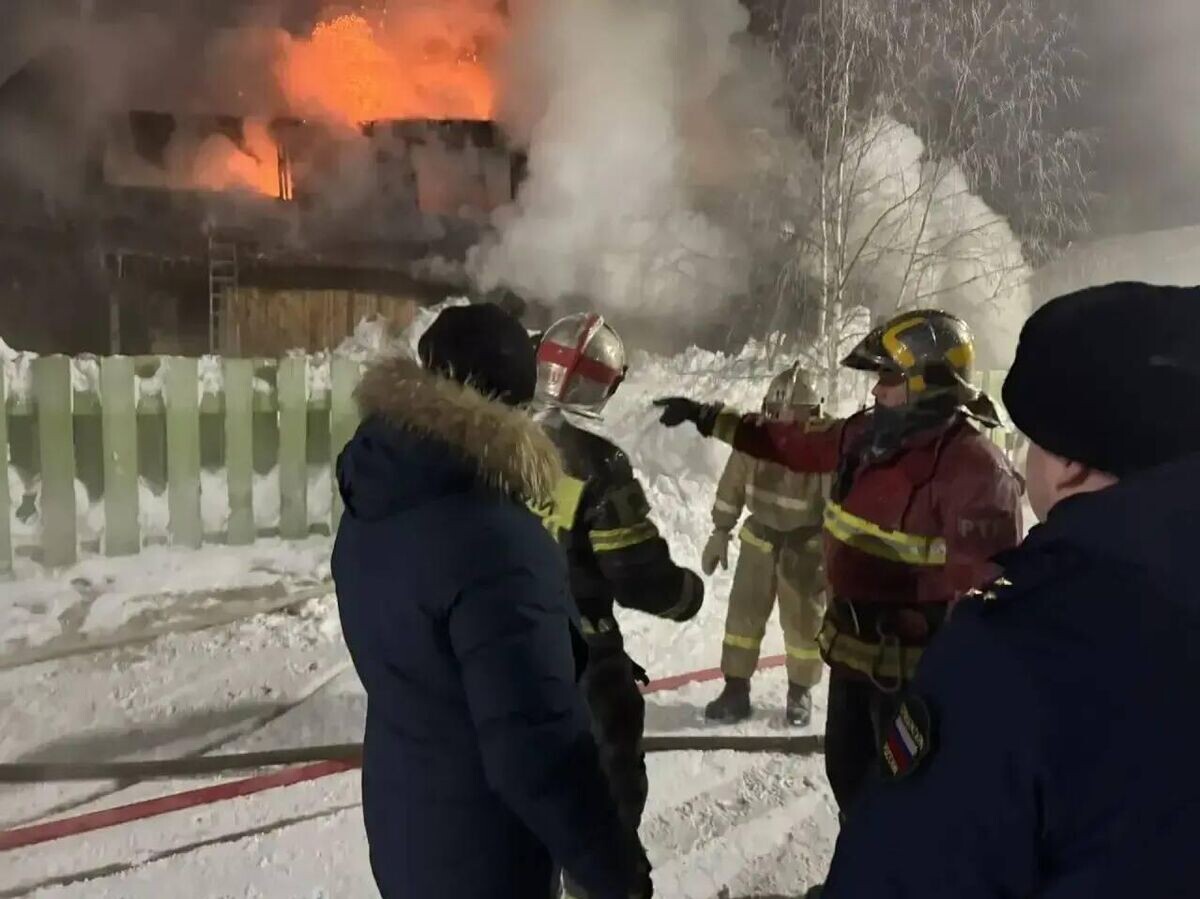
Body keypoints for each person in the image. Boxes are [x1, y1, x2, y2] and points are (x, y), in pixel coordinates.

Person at [816, 282, 1200, 898]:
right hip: (858, 657)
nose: (1021, 463)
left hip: (903, 666)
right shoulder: (871, 442)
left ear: (1071, 462)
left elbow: (909, 872)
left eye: (1034, 440)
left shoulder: (1015, 655)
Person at [332, 303, 650, 899]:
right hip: (481, 855)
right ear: (516, 402)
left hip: (405, 819)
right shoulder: (499, 543)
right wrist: (614, 869)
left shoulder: (375, 493)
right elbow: (538, 750)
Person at [654, 309, 1023, 816]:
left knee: (912, 801)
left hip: (915, 679)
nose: (876, 392)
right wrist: (710, 417)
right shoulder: (868, 436)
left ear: (929, 382)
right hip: (852, 660)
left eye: (888, 379)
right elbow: (792, 444)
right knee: (849, 779)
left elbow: (988, 599)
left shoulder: (974, 467)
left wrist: (956, 694)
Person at [530, 312, 704, 899]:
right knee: (602, 809)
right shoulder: (594, 464)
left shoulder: (496, 440)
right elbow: (636, 575)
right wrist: (687, 596)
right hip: (583, 656)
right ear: (604, 384)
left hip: (504, 646)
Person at [702, 363, 828, 726]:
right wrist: (719, 531)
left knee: (804, 625)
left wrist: (836, 555)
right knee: (743, 616)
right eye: (774, 413)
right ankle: (735, 690)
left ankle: (799, 691)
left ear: (811, 414)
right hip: (759, 539)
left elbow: (835, 504)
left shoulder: (824, 448)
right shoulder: (755, 439)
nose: (779, 423)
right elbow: (732, 485)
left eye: (789, 415)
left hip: (805, 548)